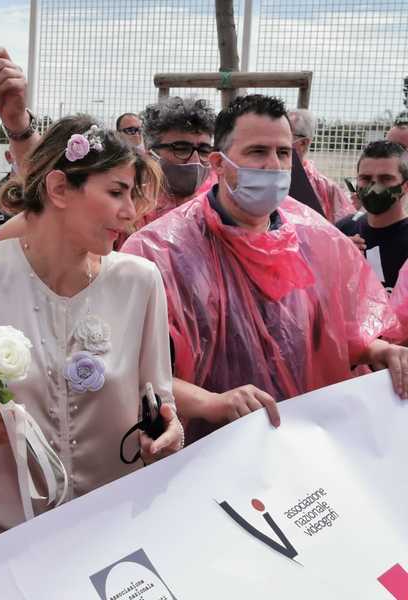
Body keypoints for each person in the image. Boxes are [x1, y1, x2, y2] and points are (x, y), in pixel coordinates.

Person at [0, 114, 184, 548]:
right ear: (60, 188)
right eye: (116, 192)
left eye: (132, 194)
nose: (130, 212)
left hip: (113, 533)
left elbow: (160, 401)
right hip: (2, 541)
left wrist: (168, 434)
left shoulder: (140, 281)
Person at [122, 94, 408, 445]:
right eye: (257, 151)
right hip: (206, 451)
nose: (274, 165)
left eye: (283, 153)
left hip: (302, 444)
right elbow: (135, 370)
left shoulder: (319, 240)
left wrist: (380, 350)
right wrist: (212, 403)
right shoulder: (161, 250)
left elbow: (341, 333)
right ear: (218, 163)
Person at [336, 140, 408, 292]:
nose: (374, 187)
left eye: (386, 179)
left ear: (405, 186)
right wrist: (334, 258)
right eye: (366, 178)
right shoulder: (342, 231)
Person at [137, 97, 217, 228]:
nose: (195, 161)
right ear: (151, 154)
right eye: (181, 149)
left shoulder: (220, 206)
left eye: (204, 151)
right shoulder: (131, 208)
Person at [288, 108, 355, 222]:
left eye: (286, 135)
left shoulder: (326, 188)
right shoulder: (270, 176)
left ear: (304, 143)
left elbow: (345, 226)